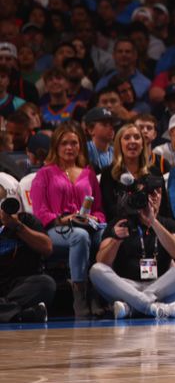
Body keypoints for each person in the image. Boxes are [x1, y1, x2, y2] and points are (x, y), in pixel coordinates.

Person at [90, 124, 175, 319]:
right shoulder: (109, 175)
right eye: (127, 137)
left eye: (136, 137)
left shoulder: (154, 173)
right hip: (127, 278)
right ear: (119, 143)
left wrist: (153, 221)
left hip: (158, 279)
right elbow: (108, 209)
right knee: (97, 270)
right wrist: (118, 234)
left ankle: (133, 306)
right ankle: (157, 308)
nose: (132, 142)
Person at [30, 122, 105, 317]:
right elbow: (40, 213)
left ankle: (100, 293)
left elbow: (99, 210)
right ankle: (79, 296)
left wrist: (91, 218)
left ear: (81, 146)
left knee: (107, 235)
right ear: (56, 146)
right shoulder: (44, 174)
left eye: (74, 143)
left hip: (86, 226)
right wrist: (64, 219)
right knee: (79, 236)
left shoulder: (89, 174)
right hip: (55, 229)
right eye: (64, 143)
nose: (69, 148)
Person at [0, 187, 55, 322]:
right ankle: (20, 315)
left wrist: (18, 227)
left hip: (22, 285)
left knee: (46, 283)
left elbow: (47, 248)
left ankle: (6, 309)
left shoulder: (26, 220)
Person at [84, 106, 116, 173]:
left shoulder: (116, 152)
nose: (111, 127)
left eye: (112, 124)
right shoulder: (83, 151)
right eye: (105, 124)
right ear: (91, 129)